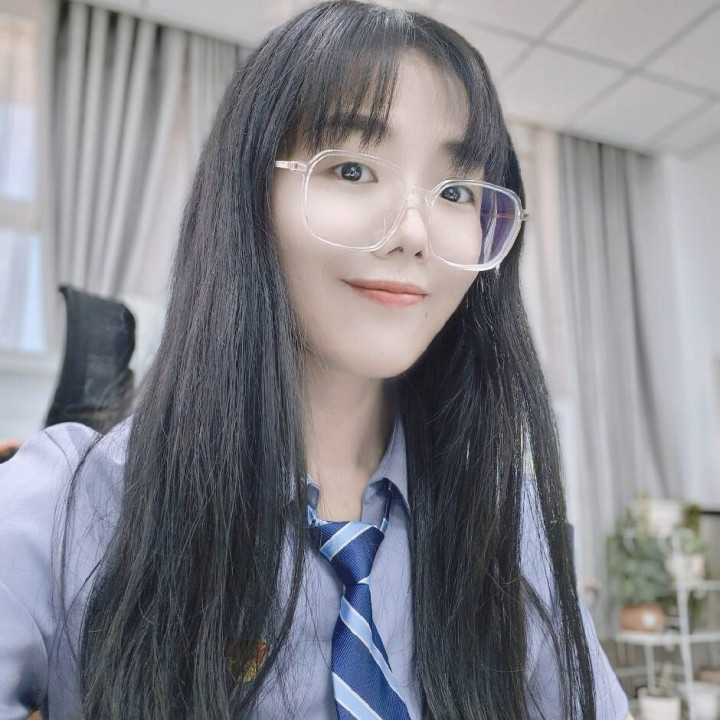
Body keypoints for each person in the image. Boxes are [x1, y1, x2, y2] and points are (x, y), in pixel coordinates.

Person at [0, 1, 634, 718]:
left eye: (456, 191)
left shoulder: (503, 521)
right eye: (354, 169)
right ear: (247, 197)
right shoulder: (67, 505)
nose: (415, 232)